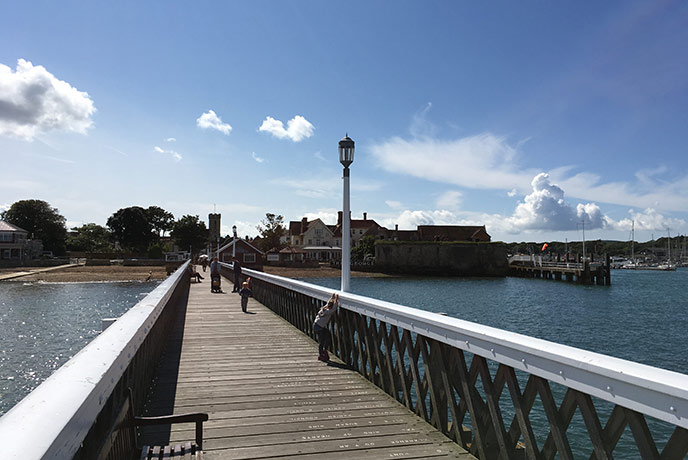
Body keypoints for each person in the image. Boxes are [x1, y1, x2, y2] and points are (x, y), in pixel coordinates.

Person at [313, 293, 340, 362]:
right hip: (320, 327)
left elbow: (328, 303)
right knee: (322, 341)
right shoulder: (328, 312)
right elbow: (334, 308)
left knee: (326, 337)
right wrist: (336, 300)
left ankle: (322, 353)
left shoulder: (323, 309)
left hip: (316, 325)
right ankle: (321, 354)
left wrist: (332, 298)